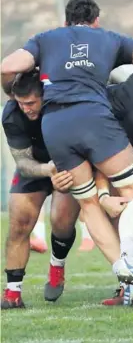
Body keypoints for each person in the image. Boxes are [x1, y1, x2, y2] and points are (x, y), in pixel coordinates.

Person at [1, 0, 133, 301]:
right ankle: (131, 263)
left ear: (64, 23)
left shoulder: (45, 39)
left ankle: (121, 267)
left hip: (56, 125)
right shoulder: (108, 39)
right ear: (97, 22)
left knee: (89, 206)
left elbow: (7, 67)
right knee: (132, 194)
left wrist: (11, 90)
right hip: (95, 119)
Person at [1, 71, 79, 309]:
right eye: (21, 103)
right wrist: (46, 169)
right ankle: (12, 294)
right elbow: (22, 162)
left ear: (44, 96)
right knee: (19, 224)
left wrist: (62, 169)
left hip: (68, 163)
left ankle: (57, 264)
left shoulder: (63, 106)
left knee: (61, 222)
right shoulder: (12, 114)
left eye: (31, 103)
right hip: (37, 166)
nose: (26, 109)